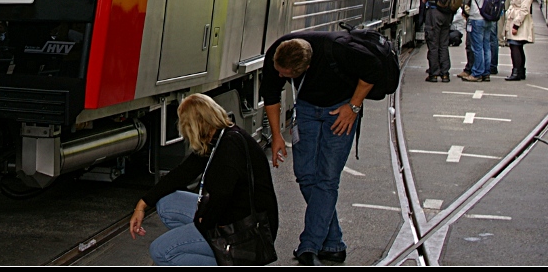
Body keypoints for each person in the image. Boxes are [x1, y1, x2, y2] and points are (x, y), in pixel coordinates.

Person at [262, 32, 380, 265]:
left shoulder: (338, 50)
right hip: (306, 109)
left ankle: (310, 245)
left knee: (326, 178)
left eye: (284, 75)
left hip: (340, 110)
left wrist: (353, 107)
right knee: (305, 174)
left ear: (305, 68)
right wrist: (276, 136)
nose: (278, 75)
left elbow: (373, 70)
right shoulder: (278, 54)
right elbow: (271, 95)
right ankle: (333, 242)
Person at [128, 93, 279, 266]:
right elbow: (182, 173)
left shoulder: (230, 146)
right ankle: (214, 252)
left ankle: (232, 257)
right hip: (231, 213)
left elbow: (222, 197)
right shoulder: (217, 138)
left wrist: (204, 221)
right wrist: (142, 204)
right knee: (166, 203)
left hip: (247, 231)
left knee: (160, 251)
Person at [420, 0, 453, 83]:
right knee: (444, 44)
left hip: (434, 12)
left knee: (433, 43)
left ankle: (434, 73)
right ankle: (445, 74)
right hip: (446, 13)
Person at [460, 0, 491, 82]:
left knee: (477, 47)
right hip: (487, 18)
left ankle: (477, 73)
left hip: (476, 18)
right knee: (486, 46)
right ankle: (486, 72)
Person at [504, 0, 534, 81]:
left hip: (519, 22)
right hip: (514, 19)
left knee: (515, 46)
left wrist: (516, 25)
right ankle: (520, 71)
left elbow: (524, 9)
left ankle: (516, 72)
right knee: (517, 47)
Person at [485, 0, 505, 75]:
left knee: (491, 39)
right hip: (498, 12)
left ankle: (492, 65)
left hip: (492, 13)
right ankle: (493, 65)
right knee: (494, 39)